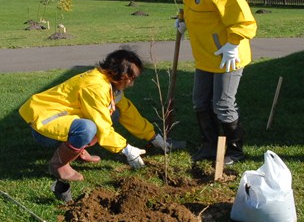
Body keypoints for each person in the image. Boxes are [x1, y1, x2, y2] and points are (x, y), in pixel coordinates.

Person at [157, 0, 257, 165]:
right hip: (205, 55)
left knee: (222, 104)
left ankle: (234, 150)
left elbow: (244, 20)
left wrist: (233, 44)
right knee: (200, 102)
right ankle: (210, 145)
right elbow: (199, 9)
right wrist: (184, 22)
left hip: (228, 55)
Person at [19, 48, 182, 182]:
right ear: (121, 75)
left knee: (115, 113)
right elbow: (101, 126)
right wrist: (126, 149)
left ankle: (77, 149)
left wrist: (153, 137)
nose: (132, 83)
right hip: (45, 124)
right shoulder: (95, 87)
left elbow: (128, 112)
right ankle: (58, 164)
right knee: (88, 128)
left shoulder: (109, 83)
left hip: (62, 118)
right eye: (131, 78)